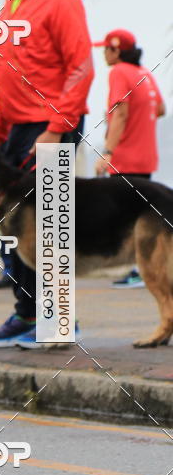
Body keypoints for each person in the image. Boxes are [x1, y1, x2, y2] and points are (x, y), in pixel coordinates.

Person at [0, 0, 94, 348]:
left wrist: (55, 130)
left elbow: (81, 70)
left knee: (51, 226)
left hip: (51, 126)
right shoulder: (11, 6)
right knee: (16, 226)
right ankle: (26, 313)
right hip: (16, 131)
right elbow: (3, 77)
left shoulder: (63, 2)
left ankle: (61, 320)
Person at [93, 28, 166, 288]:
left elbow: (121, 113)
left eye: (106, 49)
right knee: (141, 215)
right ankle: (143, 268)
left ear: (117, 50)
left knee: (125, 217)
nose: (103, 54)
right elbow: (159, 109)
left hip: (125, 157)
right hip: (146, 156)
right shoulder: (144, 73)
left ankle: (136, 270)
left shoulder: (119, 72)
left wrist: (109, 151)